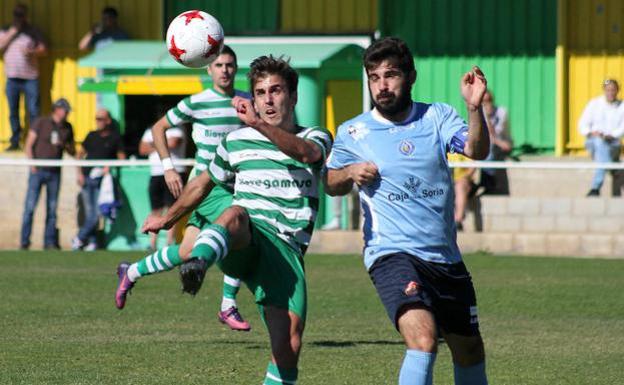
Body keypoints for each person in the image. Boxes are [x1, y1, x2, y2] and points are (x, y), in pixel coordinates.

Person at [115, 55, 332, 384]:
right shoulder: (234, 142)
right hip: (245, 237)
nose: (269, 99)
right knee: (235, 212)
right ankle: (198, 262)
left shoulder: (317, 135)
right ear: (253, 98)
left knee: (288, 346)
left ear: (294, 95)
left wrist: (259, 124)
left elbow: (308, 155)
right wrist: (169, 219)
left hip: (285, 251)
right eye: (260, 92)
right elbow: (202, 184)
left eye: (276, 90)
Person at [325, 37, 490, 385]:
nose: (381, 86)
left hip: (445, 257)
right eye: (374, 77)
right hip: (391, 253)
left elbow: (476, 150)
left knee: (470, 349)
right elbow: (330, 182)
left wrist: (474, 108)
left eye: (390, 75)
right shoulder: (353, 131)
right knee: (423, 338)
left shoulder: (437, 116)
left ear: (411, 77)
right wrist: (350, 172)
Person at [114, 46, 253, 330]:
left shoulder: (247, 100)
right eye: (219, 65)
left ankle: (132, 271)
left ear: (236, 68)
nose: (225, 70)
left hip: (238, 182)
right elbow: (157, 129)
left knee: (188, 250)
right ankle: (228, 304)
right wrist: (168, 167)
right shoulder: (197, 102)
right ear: (208, 70)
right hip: (207, 186)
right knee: (238, 230)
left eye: (229, 65)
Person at [20, 98, 75, 249]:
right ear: (57, 109)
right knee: (30, 207)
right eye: (65, 110)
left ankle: (49, 242)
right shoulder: (41, 122)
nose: (67, 113)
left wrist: (63, 144)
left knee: (52, 209)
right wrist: (33, 165)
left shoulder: (67, 127)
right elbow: (29, 145)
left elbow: (73, 151)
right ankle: (24, 242)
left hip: (55, 172)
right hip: (38, 171)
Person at [72, 109, 126, 251]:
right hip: (87, 178)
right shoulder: (91, 136)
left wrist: (111, 165)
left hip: (102, 182)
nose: (98, 121)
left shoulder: (115, 138)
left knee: (96, 214)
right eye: (96, 118)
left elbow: (122, 158)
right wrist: (79, 174)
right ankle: (92, 242)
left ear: (108, 120)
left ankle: (79, 238)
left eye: (101, 119)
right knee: (91, 213)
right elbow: (79, 155)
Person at [0, 3, 47, 151]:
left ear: (26, 16)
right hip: (12, 77)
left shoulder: (33, 31)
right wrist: (14, 32)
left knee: (33, 110)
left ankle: (33, 141)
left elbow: (44, 49)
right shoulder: (6, 30)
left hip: (30, 77)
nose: (19, 17)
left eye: (21, 14)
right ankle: (15, 140)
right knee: (13, 111)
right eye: (16, 14)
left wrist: (33, 52)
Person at [139, 121, 187, 250]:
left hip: (175, 173)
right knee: (156, 209)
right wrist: (163, 143)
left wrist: (154, 144)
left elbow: (174, 143)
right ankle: (152, 244)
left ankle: (168, 243)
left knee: (172, 209)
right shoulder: (150, 129)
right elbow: (142, 149)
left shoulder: (178, 129)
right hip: (156, 173)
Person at [578, 78, 624, 197]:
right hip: (594, 141)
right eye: (608, 90)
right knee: (599, 142)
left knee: (602, 150)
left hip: (613, 143)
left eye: (613, 90)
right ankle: (607, 174)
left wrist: (611, 135)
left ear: (617, 91)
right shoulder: (594, 104)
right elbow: (583, 125)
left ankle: (596, 188)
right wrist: (593, 133)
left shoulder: (622, 106)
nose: (610, 93)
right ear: (604, 90)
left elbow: (622, 129)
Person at [480, 90, 512, 195]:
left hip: (503, 142)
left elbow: (496, 134)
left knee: (488, 147)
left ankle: (488, 183)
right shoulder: (479, 114)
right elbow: (487, 136)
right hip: (493, 144)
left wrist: (487, 117)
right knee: (487, 146)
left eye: (489, 100)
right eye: (483, 101)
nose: (487, 103)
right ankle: (488, 182)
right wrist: (486, 117)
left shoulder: (501, 112)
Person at [449, 153, 477, 231]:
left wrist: (465, 177)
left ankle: (458, 220)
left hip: (461, 181)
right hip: (445, 181)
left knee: (460, 185)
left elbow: (472, 167)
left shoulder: (462, 148)